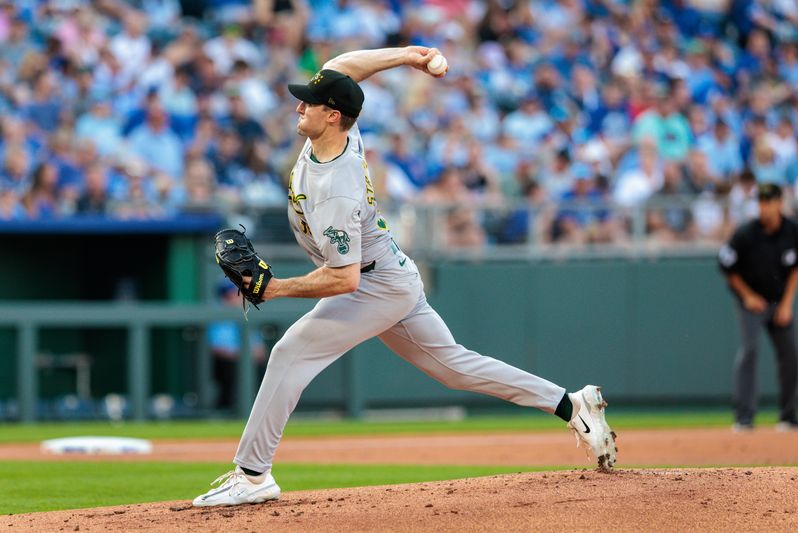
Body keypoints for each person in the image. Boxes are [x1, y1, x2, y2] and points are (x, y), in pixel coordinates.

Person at [192, 46, 617, 507]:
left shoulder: (337, 186)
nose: (299, 106)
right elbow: (342, 67)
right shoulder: (339, 134)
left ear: (333, 116)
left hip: (373, 284)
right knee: (453, 367)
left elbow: (344, 279)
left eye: (309, 103)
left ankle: (253, 475)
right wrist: (409, 56)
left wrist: (275, 290)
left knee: (290, 353)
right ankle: (570, 405)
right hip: (390, 272)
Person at [718, 182, 798, 432]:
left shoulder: (793, 231)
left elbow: (796, 268)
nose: (763, 207)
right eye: (760, 202)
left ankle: (787, 415)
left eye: (768, 202)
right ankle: (744, 417)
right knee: (750, 351)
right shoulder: (746, 234)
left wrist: (787, 303)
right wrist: (749, 296)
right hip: (751, 303)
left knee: (790, 356)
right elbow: (727, 267)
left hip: (778, 302)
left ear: (778, 203)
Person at [209, 281, 267, 410]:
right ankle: (225, 410)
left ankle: (260, 408)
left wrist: (250, 356)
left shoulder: (246, 314)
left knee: (263, 368)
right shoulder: (216, 316)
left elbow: (260, 350)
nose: (236, 299)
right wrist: (244, 356)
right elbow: (218, 349)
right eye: (231, 295)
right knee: (230, 371)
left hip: (249, 363)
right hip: (227, 364)